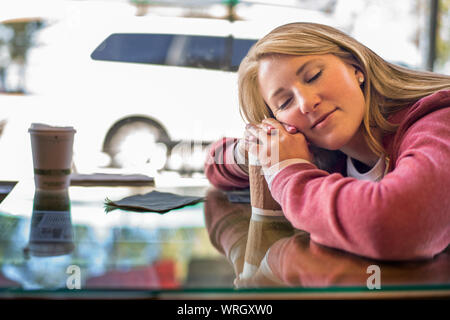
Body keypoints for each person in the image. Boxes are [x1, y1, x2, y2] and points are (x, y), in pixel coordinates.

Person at [204, 22, 450, 261]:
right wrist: (257, 149)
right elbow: (213, 162)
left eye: (313, 76)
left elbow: (394, 225)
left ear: (356, 67)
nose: (306, 103)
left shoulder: (438, 119)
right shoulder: (326, 154)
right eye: (285, 103)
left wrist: (288, 173)